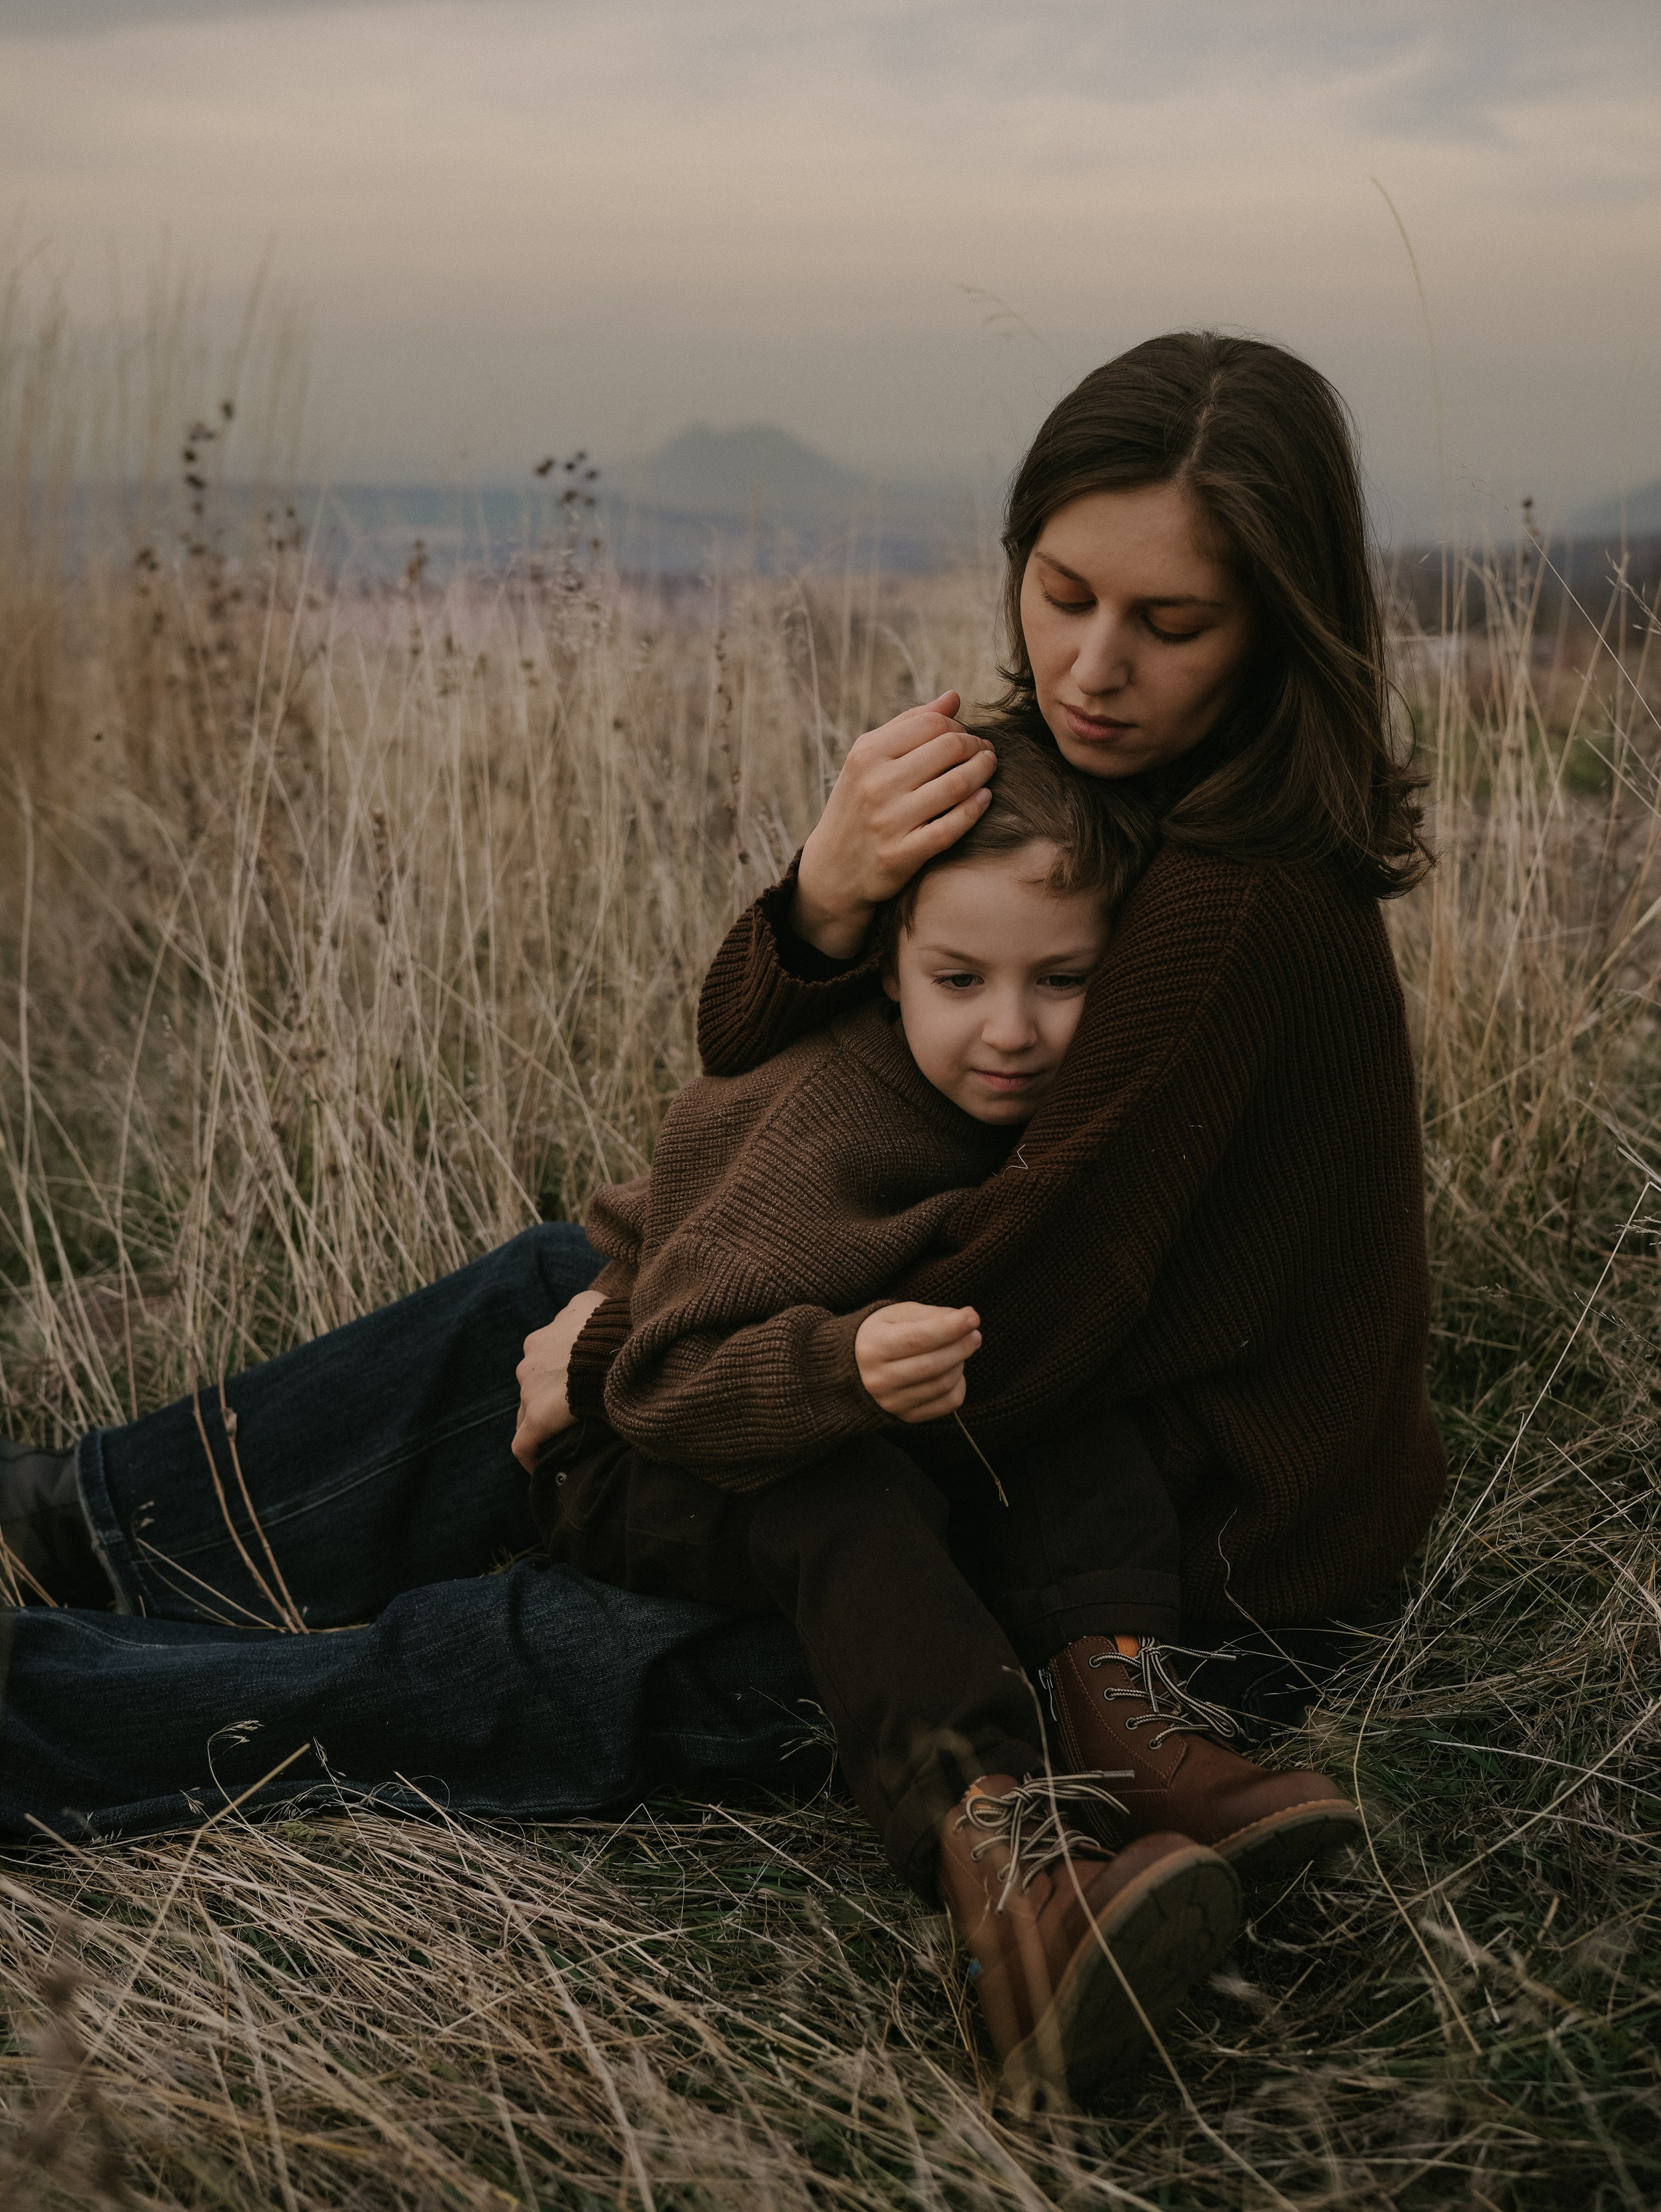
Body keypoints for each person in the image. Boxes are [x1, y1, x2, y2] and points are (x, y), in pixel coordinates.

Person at [0, 327, 1442, 2101]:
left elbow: (1021, 1316)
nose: (1090, 664)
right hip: (1013, 1438)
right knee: (560, 1276)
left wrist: (626, 1355)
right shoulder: (1105, 799)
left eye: (1169, 623)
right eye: (1063, 594)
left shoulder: (1232, 910)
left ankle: (34, 1704)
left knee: (566, 1640)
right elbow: (801, 1061)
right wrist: (829, 895)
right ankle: (84, 1525)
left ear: (1282, 621)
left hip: (1164, 1567)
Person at [529, 729, 1361, 2100]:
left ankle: (1124, 1718)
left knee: (1055, 1391)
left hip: (835, 1383)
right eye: (958, 980)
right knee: (841, 1501)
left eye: (1065, 980)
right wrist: (834, 1371)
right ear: (890, 964)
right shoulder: (828, 1118)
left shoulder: (1077, 1105)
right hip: (643, 1443)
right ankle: (1003, 1883)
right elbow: (656, 1384)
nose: (1012, 1028)